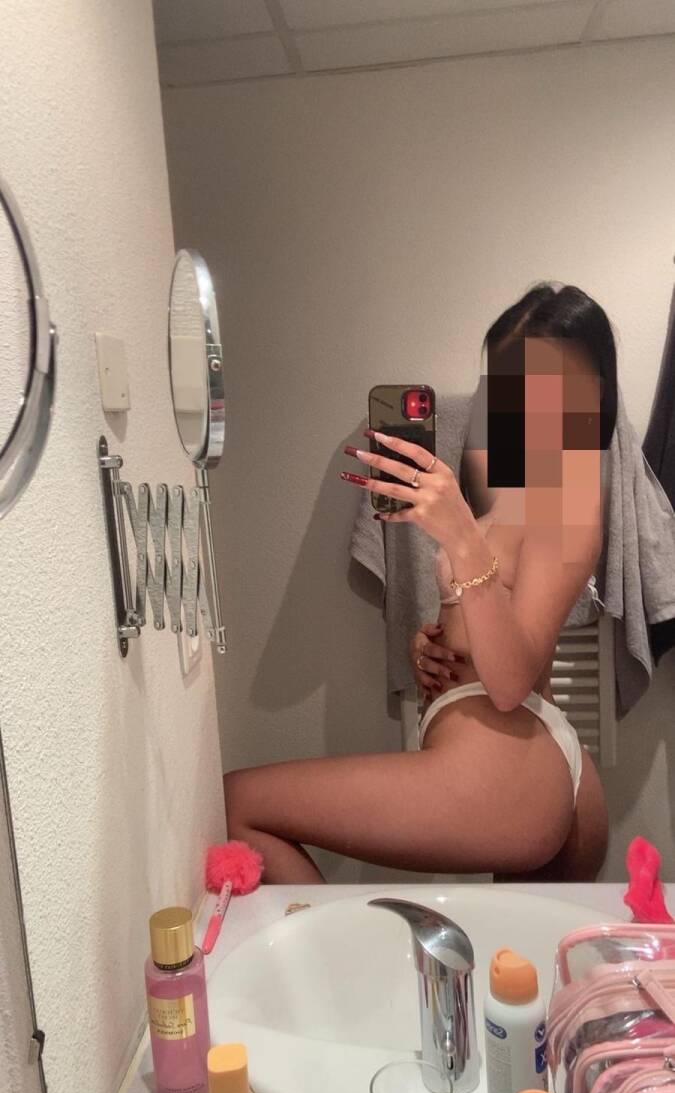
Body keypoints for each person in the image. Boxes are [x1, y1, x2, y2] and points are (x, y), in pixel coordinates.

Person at [225, 283, 616, 884]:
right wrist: (431, 646)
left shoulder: (570, 502)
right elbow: (502, 634)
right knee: (517, 955)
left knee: (237, 804)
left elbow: (510, 683)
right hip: (516, 764)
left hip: (507, 768)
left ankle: (329, 954)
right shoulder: (519, 501)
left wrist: (460, 535)